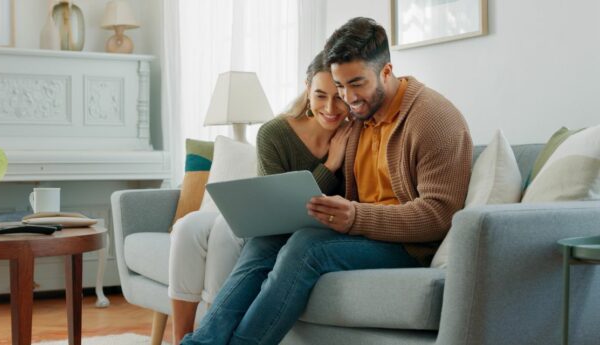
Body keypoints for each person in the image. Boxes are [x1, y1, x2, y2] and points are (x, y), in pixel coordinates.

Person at [180, 17, 473, 345]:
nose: (348, 98)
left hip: (408, 245)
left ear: (387, 72)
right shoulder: (360, 117)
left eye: (356, 84)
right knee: (265, 241)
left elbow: (438, 217)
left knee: (308, 246)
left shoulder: (432, 119)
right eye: (340, 86)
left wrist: (356, 216)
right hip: (364, 233)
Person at [169, 51, 351, 344]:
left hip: (324, 231)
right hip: (278, 229)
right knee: (255, 246)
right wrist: (329, 167)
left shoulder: (354, 134)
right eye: (320, 95)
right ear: (307, 89)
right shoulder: (275, 133)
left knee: (263, 248)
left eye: (339, 97)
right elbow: (278, 212)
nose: (331, 107)